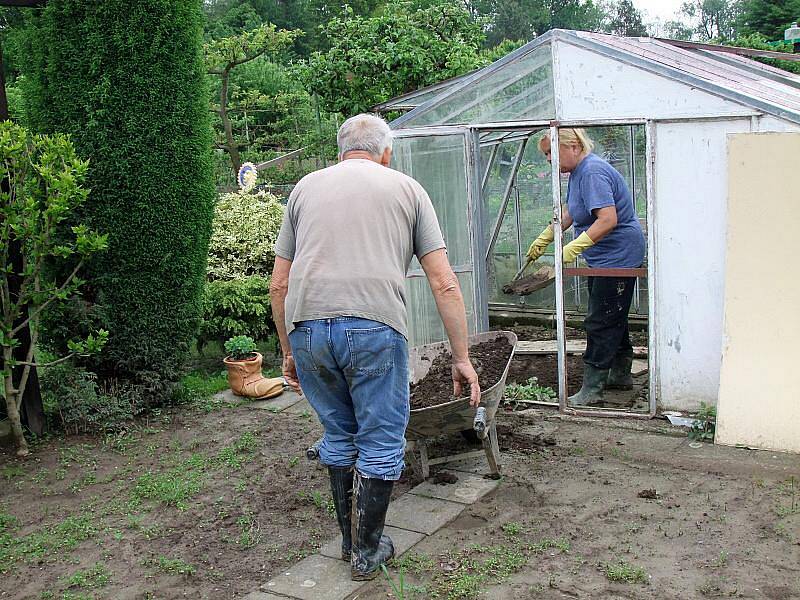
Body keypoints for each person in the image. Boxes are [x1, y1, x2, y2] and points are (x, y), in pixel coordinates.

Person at [270, 113, 480, 581]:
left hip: (308, 328)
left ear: (340, 150)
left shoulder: (304, 189)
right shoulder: (406, 189)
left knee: (340, 436)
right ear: (387, 152)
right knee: (381, 439)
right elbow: (444, 283)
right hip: (373, 327)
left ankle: (350, 542)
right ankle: (367, 552)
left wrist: (288, 351)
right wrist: (462, 359)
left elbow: (279, 283)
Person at [526, 128, 645, 406]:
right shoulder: (579, 172)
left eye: (550, 152)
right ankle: (620, 373)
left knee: (600, 319)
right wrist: (547, 236)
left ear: (574, 146)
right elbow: (572, 211)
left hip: (618, 256)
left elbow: (607, 219)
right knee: (612, 313)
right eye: (545, 154)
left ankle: (592, 389)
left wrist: (571, 249)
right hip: (603, 255)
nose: (548, 159)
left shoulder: (592, 172)